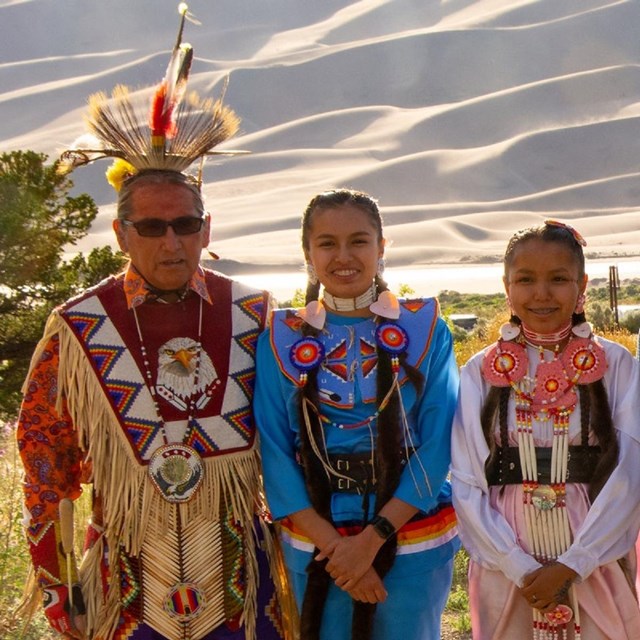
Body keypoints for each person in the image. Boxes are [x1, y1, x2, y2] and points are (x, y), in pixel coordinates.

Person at [16, 6, 294, 640]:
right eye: (152, 227)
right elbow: (46, 464)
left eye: (185, 225)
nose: (172, 242)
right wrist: (60, 587)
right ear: (120, 232)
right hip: (127, 581)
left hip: (240, 581)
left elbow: (299, 443)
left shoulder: (253, 315)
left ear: (206, 229)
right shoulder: (81, 328)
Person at [254, 189, 460, 640]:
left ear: (382, 247)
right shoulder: (280, 336)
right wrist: (337, 550)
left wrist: (372, 540)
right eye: (327, 243)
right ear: (307, 252)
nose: (343, 256)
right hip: (315, 533)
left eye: (359, 241)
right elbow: (272, 449)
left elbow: (440, 439)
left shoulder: (424, 328)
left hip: (410, 528)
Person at [451, 220, 640, 639]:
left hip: (594, 546)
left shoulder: (617, 366)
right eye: (526, 279)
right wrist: (516, 564)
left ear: (582, 284)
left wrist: (578, 561)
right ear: (507, 286)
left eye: (558, 279)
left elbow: (630, 471)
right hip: (508, 553)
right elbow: (466, 479)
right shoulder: (479, 372)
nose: (541, 293)